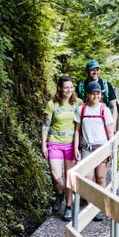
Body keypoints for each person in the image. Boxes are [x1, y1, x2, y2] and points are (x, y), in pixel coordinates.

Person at [42, 76, 82, 221]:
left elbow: (82, 124)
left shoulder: (78, 103)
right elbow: (45, 125)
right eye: (66, 87)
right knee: (57, 176)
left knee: (69, 177)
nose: (69, 90)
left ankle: (69, 207)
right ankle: (60, 193)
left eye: (71, 87)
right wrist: (43, 144)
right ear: (59, 88)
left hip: (71, 145)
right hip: (54, 143)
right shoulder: (52, 104)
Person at [74, 81, 115, 221]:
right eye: (93, 94)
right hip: (87, 148)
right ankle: (91, 207)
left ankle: (101, 207)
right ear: (87, 94)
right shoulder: (81, 110)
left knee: (101, 178)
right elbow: (77, 131)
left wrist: (111, 150)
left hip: (102, 148)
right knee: (87, 178)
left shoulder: (105, 110)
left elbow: (110, 132)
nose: (96, 96)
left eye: (98, 93)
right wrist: (75, 148)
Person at [76, 59, 118, 124]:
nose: (95, 72)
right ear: (87, 71)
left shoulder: (106, 85)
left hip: (104, 121)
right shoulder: (81, 86)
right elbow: (76, 106)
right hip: (86, 121)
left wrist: (113, 124)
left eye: (97, 69)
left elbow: (113, 106)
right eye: (92, 69)